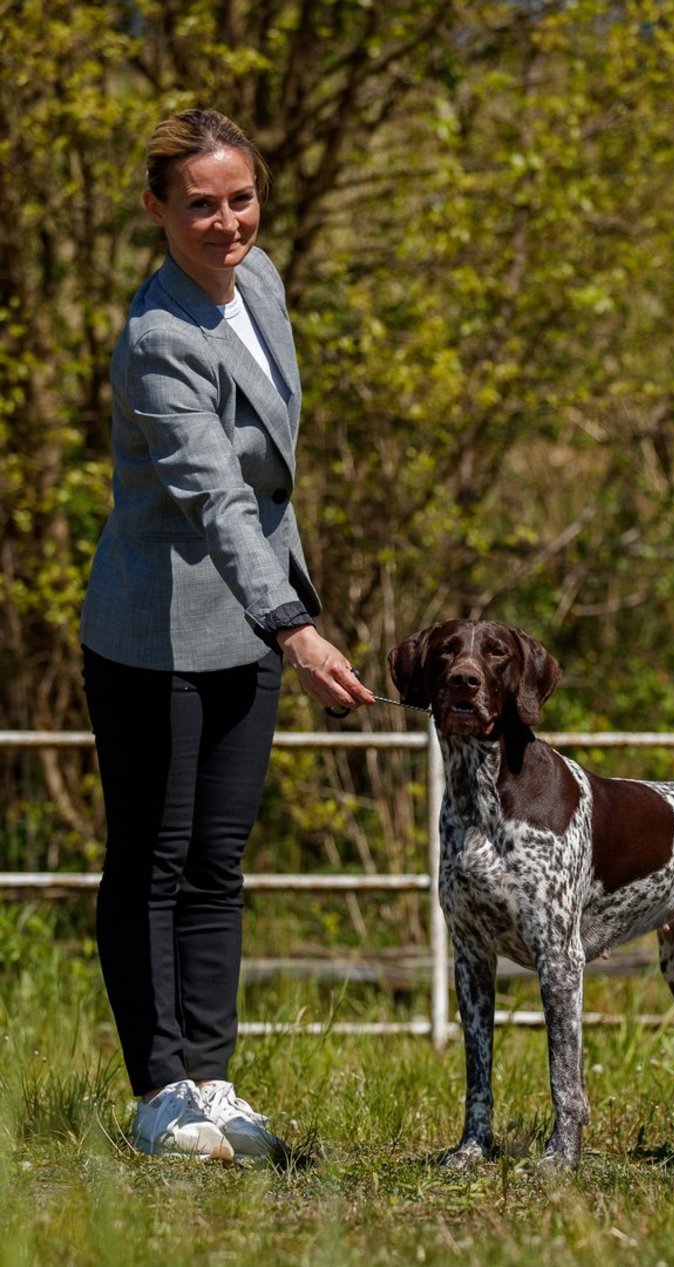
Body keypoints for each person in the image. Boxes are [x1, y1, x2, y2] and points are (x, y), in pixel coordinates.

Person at [80, 107, 375, 1162]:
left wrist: (279, 612)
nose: (225, 222)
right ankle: (157, 1093)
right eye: (197, 204)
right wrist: (295, 624)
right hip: (154, 633)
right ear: (156, 208)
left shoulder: (265, 283)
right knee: (152, 861)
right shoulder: (159, 337)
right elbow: (213, 495)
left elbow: (270, 477)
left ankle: (210, 1076)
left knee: (217, 862)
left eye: (239, 197)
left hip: (248, 621)